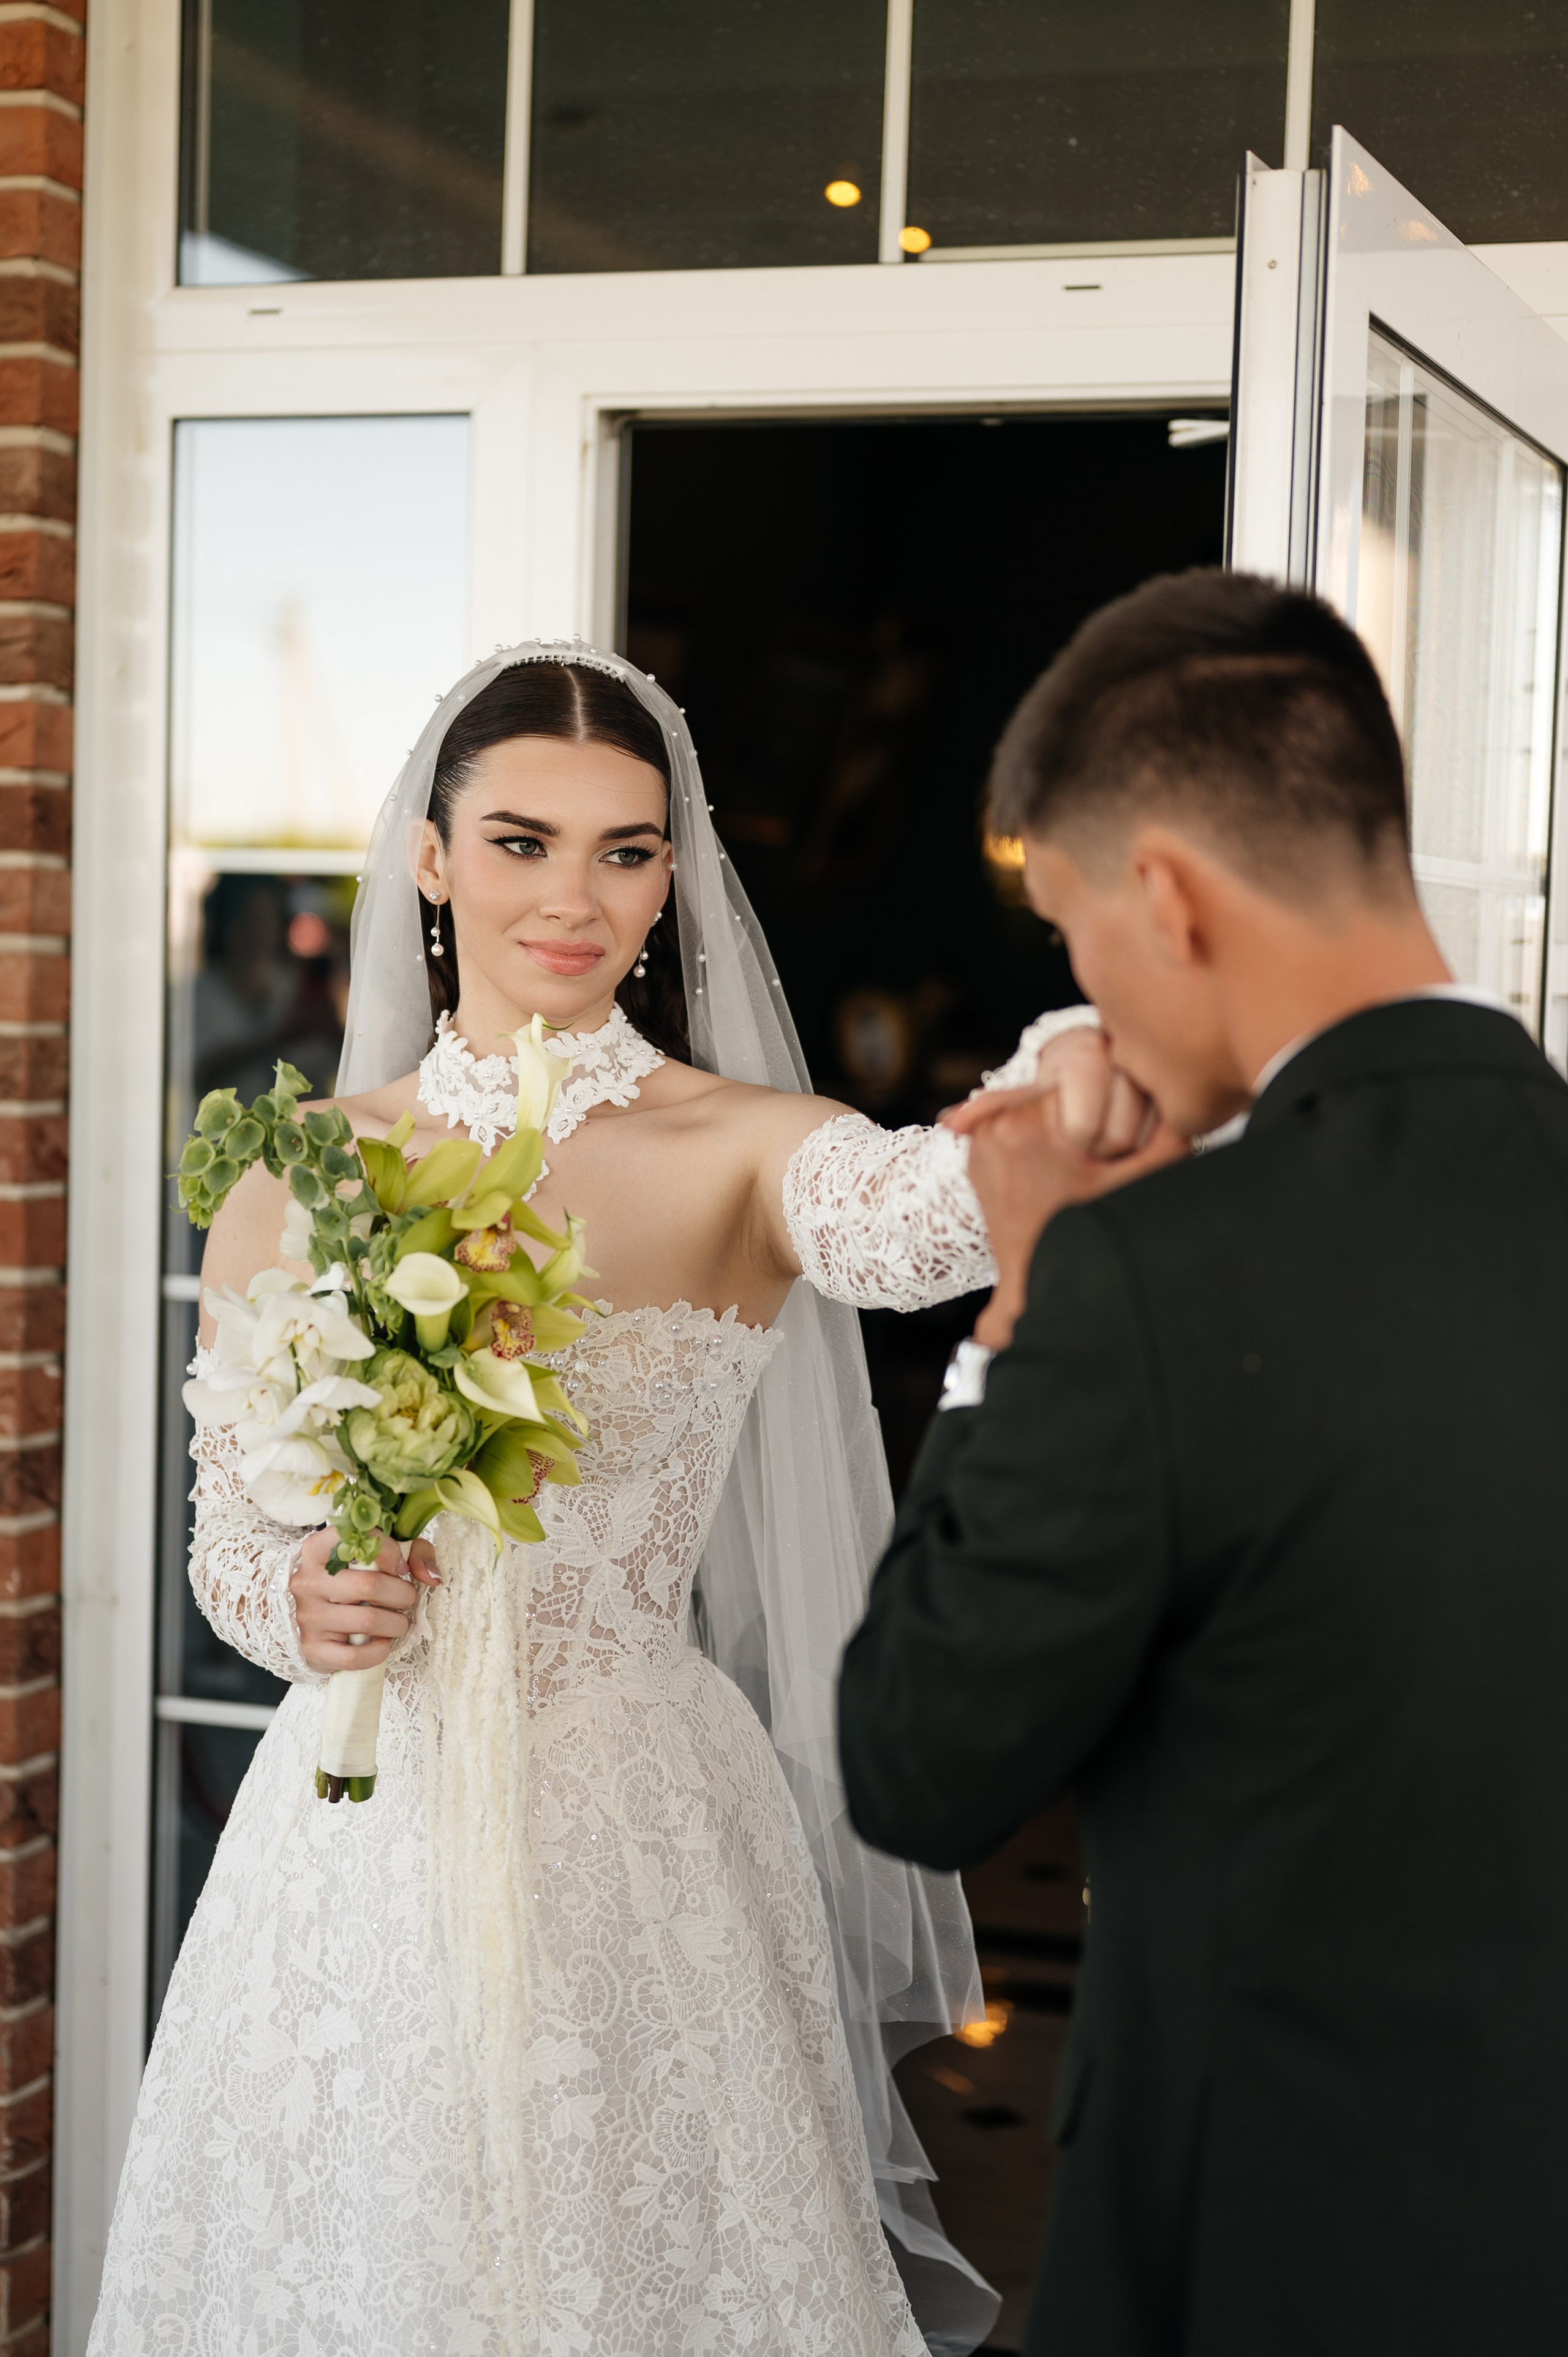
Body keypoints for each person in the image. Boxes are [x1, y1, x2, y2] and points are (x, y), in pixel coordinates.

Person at [88, 642, 1118, 2357]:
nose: (574, 897)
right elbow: (226, 1551)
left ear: (675, 870)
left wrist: (1089, 1053)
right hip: (354, 1850)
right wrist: (302, 1606)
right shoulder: (297, 1169)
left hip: (629, 1832)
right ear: (429, 856)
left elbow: (943, 1205)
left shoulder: (745, 1148)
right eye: (520, 842)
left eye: (625, 850)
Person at [837, 570, 1568, 2357]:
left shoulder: (1152, 1278)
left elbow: (917, 1760)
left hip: (1274, 2256)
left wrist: (1023, 1301)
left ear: (1162, 894)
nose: (1090, 1000)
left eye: (1080, 944)